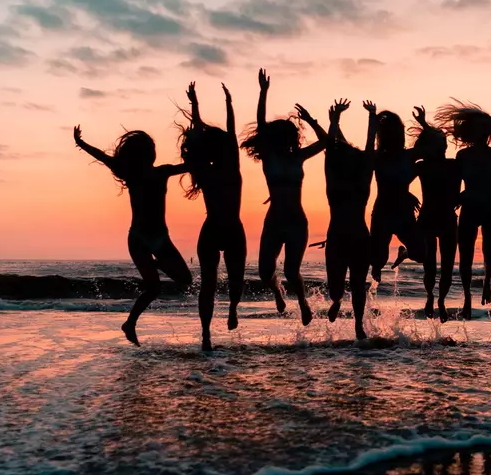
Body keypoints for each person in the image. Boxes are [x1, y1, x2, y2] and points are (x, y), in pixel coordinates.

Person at [72, 126, 192, 346]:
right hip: (143, 238)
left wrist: (81, 143)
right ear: (148, 154)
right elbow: (103, 157)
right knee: (158, 287)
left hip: (147, 237)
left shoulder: (145, 172)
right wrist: (81, 144)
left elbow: (103, 157)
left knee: (181, 280)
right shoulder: (153, 173)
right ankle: (130, 324)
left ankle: (132, 317)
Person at [240, 69, 327, 326]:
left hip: (297, 221)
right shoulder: (269, 158)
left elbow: (325, 142)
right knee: (265, 272)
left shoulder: (298, 157)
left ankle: (302, 302)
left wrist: (310, 120)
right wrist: (263, 92)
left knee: (291, 270)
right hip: (275, 221)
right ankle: (277, 291)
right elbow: (260, 124)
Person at [179, 81, 245, 351]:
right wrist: (195, 105)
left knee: (236, 279)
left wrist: (229, 104)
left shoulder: (230, 165)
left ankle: (232, 308)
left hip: (230, 229)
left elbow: (231, 133)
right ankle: (206, 333)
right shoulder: (206, 170)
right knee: (208, 283)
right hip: (216, 228)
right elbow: (199, 133)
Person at [433, 102, 491, 319]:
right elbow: (457, 186)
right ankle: (467, 296)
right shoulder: (463, 155)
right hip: (470, 207)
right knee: (465, 255)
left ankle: (487, 283)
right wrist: (454, 199)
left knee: (490, 252)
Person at [319, 98, 375, 340]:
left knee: (358, 284)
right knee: (335, 287)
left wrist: (372, 118)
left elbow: (370, 147)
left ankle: (358, 325)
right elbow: (330, 149)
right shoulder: (333, 180)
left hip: (360, 237)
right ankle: (337, 301)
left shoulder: (363, 181)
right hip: (337, 237)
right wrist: (335, 120)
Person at [367, 102, 426, 284]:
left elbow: (431, 143)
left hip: (403, 212)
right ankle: (376, 266)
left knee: (421, 254)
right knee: (378, 258)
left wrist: (423, 123)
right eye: (388, 133)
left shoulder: (409, 155)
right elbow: (368, 146)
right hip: (383, 211)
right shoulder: (378, 157)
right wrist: (372, 119)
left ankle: (404, 253)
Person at [411, 108, 460, 322]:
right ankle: (431, 296)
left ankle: (440, 300)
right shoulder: (423, 166)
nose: (444, 144)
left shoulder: (455, 164)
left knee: (446, 267)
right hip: (429, 218)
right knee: (430, 266)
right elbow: (400, 182)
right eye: (440, 142)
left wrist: (424, 123)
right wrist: (407, 195)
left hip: (446, 218)